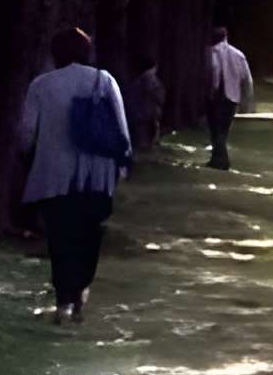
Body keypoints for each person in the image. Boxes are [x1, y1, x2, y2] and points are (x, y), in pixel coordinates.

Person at [18, 26, 130, 322]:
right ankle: (80, 290)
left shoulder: (41, 85)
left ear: (55, 53)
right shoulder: (103, 80)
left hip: (54, 174)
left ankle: (63, 301)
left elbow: (27, 132)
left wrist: (27, 155)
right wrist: (121, 166)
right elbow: (121, 129)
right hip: (98, 175)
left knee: (60, 238)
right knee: (90, 235)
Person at [206, 25, 253, 170]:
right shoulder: (238, 55)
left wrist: (210, 91)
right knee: (224, 129)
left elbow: (214, 72)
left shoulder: (209, 53)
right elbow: (247, 79)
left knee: (215, 129)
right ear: (226, 37)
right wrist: (247, 100)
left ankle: (221, 160)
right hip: (232, 97)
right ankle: (217, 159)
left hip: (216, 96)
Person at [127, 53, 165, 151]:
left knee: (142, 132)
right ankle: (146, 147)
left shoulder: (138, 79)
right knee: (148, 132)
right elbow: (158, 95)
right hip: (148, 111)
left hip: (139, 111)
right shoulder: (151, 79)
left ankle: (143, 147)